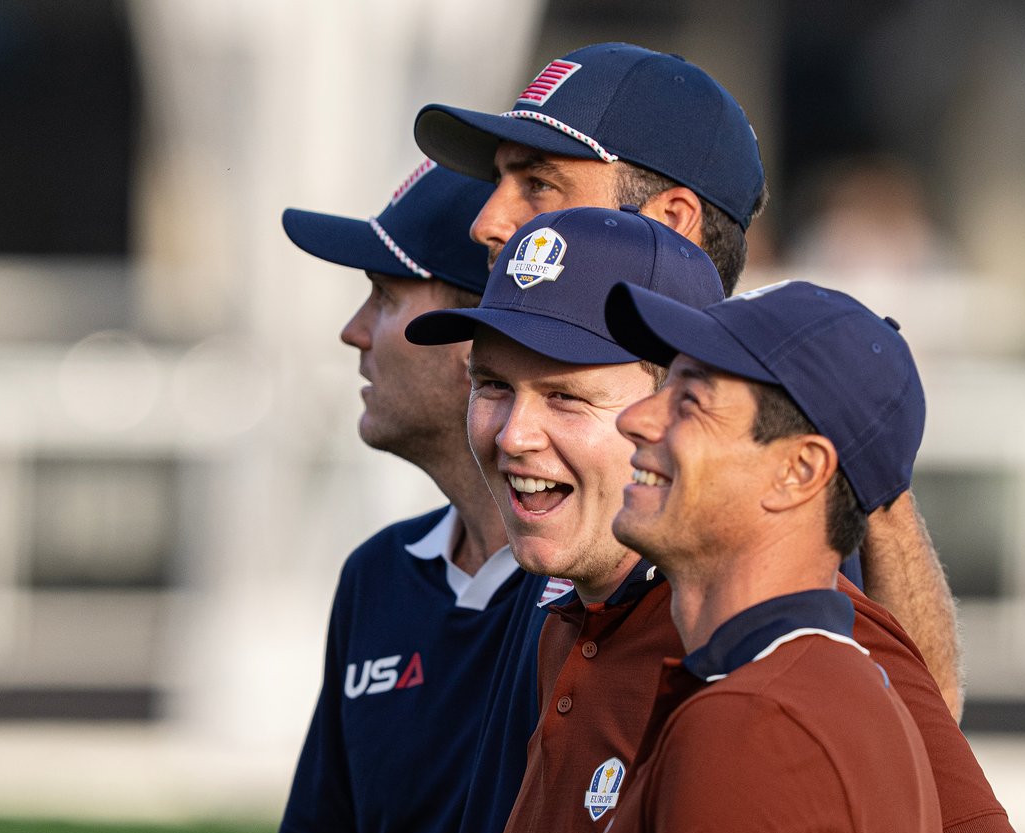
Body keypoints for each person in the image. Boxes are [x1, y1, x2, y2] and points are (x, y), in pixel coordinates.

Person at [307, 207, 1025, 833]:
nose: (512, 435)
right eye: (492, 385)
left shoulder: (784, 683)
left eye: (567, 397)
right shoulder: (569, 624)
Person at [413, 41, 964, 718]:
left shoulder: (764, 476)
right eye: (495, 386)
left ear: (672, 222)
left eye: (539, 183)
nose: (487, 222)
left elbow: (914, 742)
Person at [583, 278, 946, 833]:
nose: (634, 419)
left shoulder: (759, 725)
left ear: (798, 471)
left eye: (690, 401)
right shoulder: (821, 692)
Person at [276, 160, 563, 833]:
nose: (354, 331)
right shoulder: (375, 575)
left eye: (382, 295)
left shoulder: (609, 581)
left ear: (476, 338)